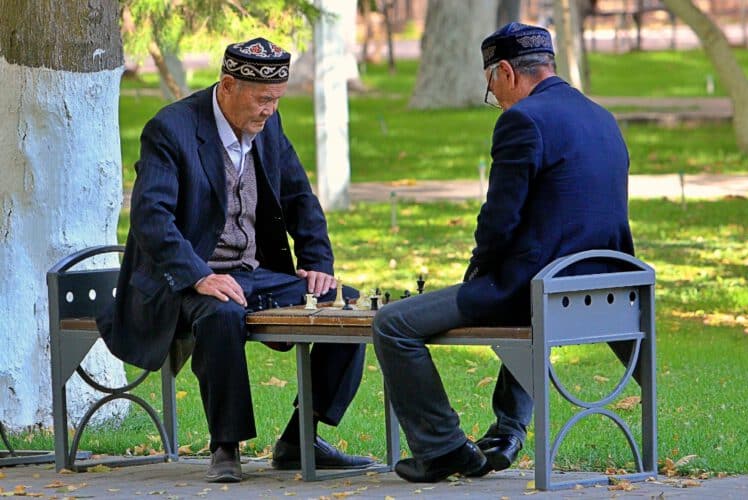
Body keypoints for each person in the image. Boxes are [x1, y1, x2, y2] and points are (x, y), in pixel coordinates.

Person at [97, 37, 375, 483]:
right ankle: (225, 446)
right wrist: (200, 275)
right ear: (228, 85)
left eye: (277, 99)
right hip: (183, 279)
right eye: (263, 99)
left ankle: (300, 438)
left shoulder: (267, 126)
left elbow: (300, 197)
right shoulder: (171, 129)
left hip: (250, 273)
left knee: (348, 306)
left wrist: (318, 262)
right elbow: (151, 218)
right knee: (222, 315)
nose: (269, 109)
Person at [372, 22, 634, 483]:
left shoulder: (522, 120)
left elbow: (498, 221)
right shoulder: (601, 116)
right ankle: (507, 433)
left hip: (534, 290)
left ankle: (442, 448)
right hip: (605, 287)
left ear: (507, 72)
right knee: (533, 305)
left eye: (490, 83)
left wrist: (478, 272)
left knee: (392, 324)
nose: (494, 95)